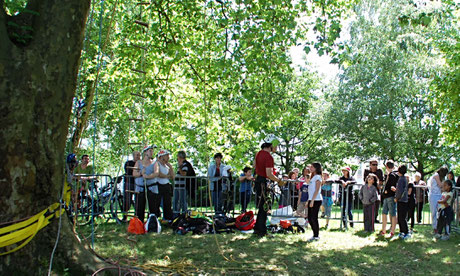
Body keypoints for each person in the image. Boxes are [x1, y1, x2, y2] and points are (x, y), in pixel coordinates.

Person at [253, 135, 285, 237]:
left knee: (262, 206)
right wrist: (279, 180)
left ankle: (257, 228)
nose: (276, 148)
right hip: (263, 183)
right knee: (265, 207)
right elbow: (269, 174)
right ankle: (262, 231)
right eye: (275, 146)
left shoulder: (258, 154)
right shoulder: (268, 157)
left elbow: (255, 166)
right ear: (270, 145)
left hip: (258, 181)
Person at [133, 146, 156, 223]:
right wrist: (140, 173)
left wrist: (148, 176)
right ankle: (139, 223)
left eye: (152, 151)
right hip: (140, 188)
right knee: (139, 207)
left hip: (151, 188)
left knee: (152, 207)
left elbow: (156, 173)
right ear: (145, 152)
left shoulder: (153, 163)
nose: (151, 152)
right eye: (150, 151)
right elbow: (134, 173)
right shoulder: (138, 163)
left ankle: (151, 223)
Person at [151, 150, 174, 221]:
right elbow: (159, 174)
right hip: (158, 184)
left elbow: (172, 176)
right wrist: (167, 176)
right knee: (156, 202)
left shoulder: (167, 165)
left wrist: (170, 167)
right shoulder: (157, 163)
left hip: (166, 184)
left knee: (167, 202)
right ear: (162, 156)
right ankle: (156, 217)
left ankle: (167, 217)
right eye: (166, 155)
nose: (168, 157)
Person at [173, 150, 196, 217]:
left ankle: (183, 214)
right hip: (177, 186)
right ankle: (176, 214)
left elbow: (184, 174)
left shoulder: (185, 164)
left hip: (182, 186)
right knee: (176, 201)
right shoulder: (182, 164)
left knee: (182, 201)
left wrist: (180, 168)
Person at [380, 160, 398, 238]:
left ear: (386, 167)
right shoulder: (388, 175)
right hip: (386, 196)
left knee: (392, 213)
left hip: (390, 196)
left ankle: (392, 231)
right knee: (384, 213)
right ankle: (384, 230)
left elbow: (391, 186)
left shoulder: (392, 175)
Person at [429, 167, 448, 233]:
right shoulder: (436, 175)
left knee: (440, 212)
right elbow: (440, 185)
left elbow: (442, 188)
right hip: (433, 196)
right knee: (434, 212)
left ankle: (439, 226)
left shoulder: (442, 178)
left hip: (439, 195)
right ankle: (435, 227)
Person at [307, 162, 323, 241]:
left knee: (314, 217)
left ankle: (316, 235)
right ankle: (314, 234)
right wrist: (309, 200)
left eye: (312, 167)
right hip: (311, 199)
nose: (310, 168)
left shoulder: (318, 177)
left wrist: (312, 200)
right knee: (310, 218)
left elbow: (317, 190)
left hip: (316, 199)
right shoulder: (312, 177)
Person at [123, 151, 141, 221]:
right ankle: (125, 216)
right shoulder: (128, 163)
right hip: (129, 183)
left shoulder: (140, 163)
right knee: (127, 200)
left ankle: (137, 216)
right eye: (136, 155)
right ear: (133, 156)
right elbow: (129, 172)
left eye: (139, 155)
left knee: (137, 200)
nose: (138, 157)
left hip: (137, 183)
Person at [395, 165, 410, 239]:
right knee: (401, 217)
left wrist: (397, 198)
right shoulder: (404, 179)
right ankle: (402, 231)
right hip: (404, 200)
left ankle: (406, 232)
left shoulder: (401, 179)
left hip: (402, 200)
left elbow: (400, 191)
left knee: (402, 217)